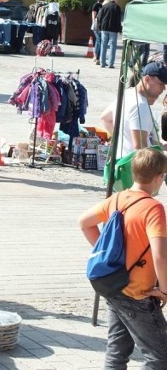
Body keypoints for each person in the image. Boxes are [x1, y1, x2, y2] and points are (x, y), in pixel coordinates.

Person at [77, 148, 167, 369]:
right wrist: (165, 290)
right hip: (138, 293)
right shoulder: (153, 208)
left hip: (115, 285)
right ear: (157, 178)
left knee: (116, 353)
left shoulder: (117, 198)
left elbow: (84, 222)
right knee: (160, 357)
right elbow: (160, 256)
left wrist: (109, 257)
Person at [100, 61, 167, 159]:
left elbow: (105, 118)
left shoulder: (128, 94)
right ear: (147, 79)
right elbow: (140, 149)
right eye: (161, 84)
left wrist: (123, 141)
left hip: (122, 162)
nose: (164, 88)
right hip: (134, 169)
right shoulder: (140, 105)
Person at [98, 0, 122, 69]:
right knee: (112, 46)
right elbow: (118, 20)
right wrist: (120, 29)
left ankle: (102, 63)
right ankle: (111, 63)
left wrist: (100, 26)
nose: (118, 0)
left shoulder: (104, 6)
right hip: (113, 29)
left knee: (103, 45)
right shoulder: (117, 7)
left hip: (104, 28)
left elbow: (99, 17)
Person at [91, 0, 105, 64]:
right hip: (96, 25)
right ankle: (96, 56)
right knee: (99, 41)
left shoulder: (104, 5)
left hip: (101, 26)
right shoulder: (96, 5)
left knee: (98, 41)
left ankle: (97, 56)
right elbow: (93, 15)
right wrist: (94, 23)